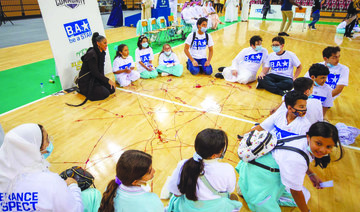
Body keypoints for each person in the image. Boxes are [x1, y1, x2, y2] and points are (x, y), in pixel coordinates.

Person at [236, 122, 343, 212]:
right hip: (260, 177)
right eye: (319, 144)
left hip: (254, 171)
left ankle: (246, 188)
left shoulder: (302, 139)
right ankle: (251, 192)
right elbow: (295, 191)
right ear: (308, 137)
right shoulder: (297, 160)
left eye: (329, 147)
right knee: (302, 198)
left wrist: (311, 174)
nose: (323, 150)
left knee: (304, 196)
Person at [0, 124, 83, 211]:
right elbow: (76, 209)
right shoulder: (50, 182)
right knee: (92, 195)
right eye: (47, 139)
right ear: (34, 147)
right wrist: (73, 186)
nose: (49, 143)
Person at [167, 129, 242, 212]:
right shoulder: (227, 169)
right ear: (214, 155)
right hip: (216, 208)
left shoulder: (183, 165)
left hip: (188, 208)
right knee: (233, 198)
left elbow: (176, 193)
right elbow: (230, 190)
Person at [98, 150, 164, 212]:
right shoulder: (152, 201)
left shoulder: (110, 188)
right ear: (135, 182)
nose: (154, 171)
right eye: (149, 172)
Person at [73, 33, 116, 106]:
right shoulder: (91, 54)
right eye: (104, 43)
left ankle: (99, 87)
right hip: (87, 81)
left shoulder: (102, 53)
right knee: (105, 93)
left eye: (106, 43)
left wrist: (104, 82)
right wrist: (108, 80)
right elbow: (95, 73)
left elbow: (101, 70)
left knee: (111, 89)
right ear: (98, 43)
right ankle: (82, 90)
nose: (106, 45)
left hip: (96, 79)